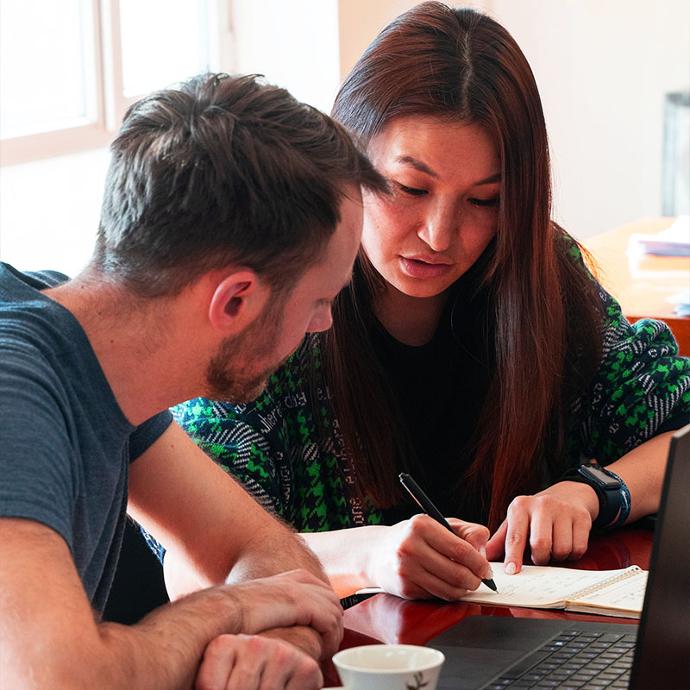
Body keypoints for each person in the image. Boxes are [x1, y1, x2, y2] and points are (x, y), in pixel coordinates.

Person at [169, 1, 690, 605]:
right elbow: (192, 565)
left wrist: (596, 492)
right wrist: (364, 557)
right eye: (410, 188)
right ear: (349, 160)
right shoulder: (273, 302)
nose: (440, 235)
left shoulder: (539, 279)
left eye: (483, 201)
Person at [0, 72, 388, 690]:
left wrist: (269, 644)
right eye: (319, 299)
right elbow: (56, 680)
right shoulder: (15, 387)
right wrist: (225, 610)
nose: (325, 324)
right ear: (235, 300)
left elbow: (268, 558)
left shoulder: (94, 352)